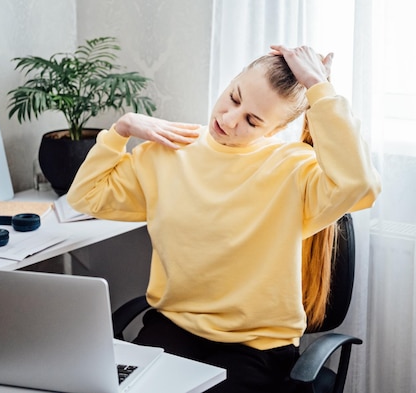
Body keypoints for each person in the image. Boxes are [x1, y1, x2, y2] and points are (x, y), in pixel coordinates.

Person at [67, 45, 381, 392]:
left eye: (252, 120)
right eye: (234, 98)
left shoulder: (293, 168)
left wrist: (318, 86)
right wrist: (121, 130)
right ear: (231, 80)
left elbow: (360, 184)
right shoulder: (170, 149)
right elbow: (86, 196)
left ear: (276, 129)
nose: (230, 120)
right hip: (171, 330)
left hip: (253, 349)